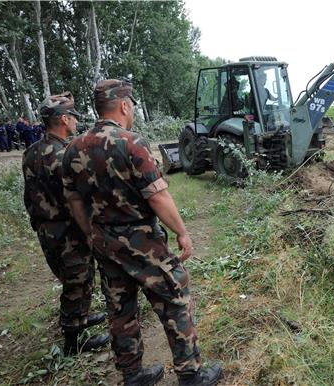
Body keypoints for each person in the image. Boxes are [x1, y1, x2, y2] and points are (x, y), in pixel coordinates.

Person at [62, 79, 222, 386]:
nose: (132, 109)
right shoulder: (131, 143)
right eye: (131, 104)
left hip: (104, 243)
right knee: (174, 300)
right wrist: (182, 233)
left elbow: (73, 200)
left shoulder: (73, 148)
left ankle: (133, 376)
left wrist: (90, 233)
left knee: (120, 310)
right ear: (123, 105)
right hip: (143, 243)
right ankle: (191, 374)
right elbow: (158, 196)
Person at [22, 92, 109, 356]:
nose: (75, 121)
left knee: (73, 276)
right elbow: (78, 197)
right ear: (62, 119)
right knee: (77, 279)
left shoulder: (32, 151)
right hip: (66, 229)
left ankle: (81, 317)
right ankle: (74, 338)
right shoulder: (63, 154)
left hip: (46, 227)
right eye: (72, 116)